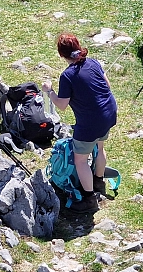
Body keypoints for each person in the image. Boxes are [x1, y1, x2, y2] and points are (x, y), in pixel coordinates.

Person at [42, 33, 117, 197]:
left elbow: (61, 105)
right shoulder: (93, 62)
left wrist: (49, 91)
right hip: (109, 113)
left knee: (80, 160)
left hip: (90, 123)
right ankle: (99, 180)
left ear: (62, 54)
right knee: (100, 146)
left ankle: (89, 198)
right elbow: (107, 85)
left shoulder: (67, 76)